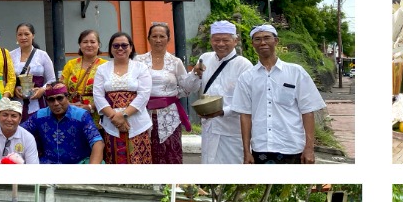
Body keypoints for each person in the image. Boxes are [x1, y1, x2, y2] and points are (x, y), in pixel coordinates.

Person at [235, 24, 326, 163]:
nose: (263, 42)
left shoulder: (296, 72)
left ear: (276, 41)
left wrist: (309, 148)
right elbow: (245, 115)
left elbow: (308, 111)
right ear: (252, 44)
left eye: (267, 38)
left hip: (292, 146)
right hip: (261, 147)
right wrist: (246, 151)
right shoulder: (246, 77)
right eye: (257, 39)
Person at [184, 20, 253, 163]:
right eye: (216, 40)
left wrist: (222, 112)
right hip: (209, 128)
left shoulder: (244, 65)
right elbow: (189, 88)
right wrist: (195, 74)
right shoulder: (205, 58)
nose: (221, 44)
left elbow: (247, 101)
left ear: (235, 41)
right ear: (211, 41)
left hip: (231, 131)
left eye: (225, 40)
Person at [136, 21, 194, 164]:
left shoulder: (176, 62)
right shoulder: (138, 61)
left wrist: (170, 97)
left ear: (168, 39)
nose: (158, 40)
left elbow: (186, 88)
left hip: (170, 117)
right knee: (145, 154)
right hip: (143, 115)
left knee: (170, 155)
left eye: (162, 36)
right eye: (154, 36)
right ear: (148, 38)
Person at [93, 31, 153, 163]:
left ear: (131, 48)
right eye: (116, 46)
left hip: (137, 123)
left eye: (124, 45)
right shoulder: (102, 69)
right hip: (111, 123)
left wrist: (123, 115)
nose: (120, 48)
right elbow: (98, 95)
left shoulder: (141, 68)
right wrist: (114, 117)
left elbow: (144, 94)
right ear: (110, 48)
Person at [23, 84, 105, 163]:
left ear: (67, 98)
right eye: (51, 100)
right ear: (46, 101)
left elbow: (97, 142)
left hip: (78, 163)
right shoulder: (40, 115)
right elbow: (21, 131)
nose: (56, 103)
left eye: (60, 98)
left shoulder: (81, 115)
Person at [60, 28, 107, 126]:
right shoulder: (71, 64)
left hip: (96, 113)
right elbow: (60, 88)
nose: (89, 45)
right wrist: (68, 104)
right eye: (85, 42)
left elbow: (108, 93)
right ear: (80, 45)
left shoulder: (106, 66)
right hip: (71, 112)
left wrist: (90, 107)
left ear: (98, 45)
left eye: (92, 42)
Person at [11, 21, 58, 117]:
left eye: (26, 34)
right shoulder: (10, 55)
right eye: (20, 34)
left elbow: (52, 80)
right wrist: (14, 89)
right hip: (16, 104)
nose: (23, 37)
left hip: (38, 102)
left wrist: (42, 90)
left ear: (33, 35)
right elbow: (6, 79)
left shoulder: (42, 55)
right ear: (16, 37)